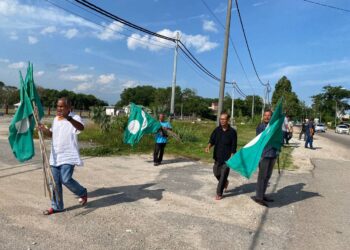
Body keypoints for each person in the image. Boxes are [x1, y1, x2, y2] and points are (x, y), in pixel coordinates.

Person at [39, 97, 87, 215]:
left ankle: (82, 192)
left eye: (62, 106)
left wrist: (68, 118)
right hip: (55, 155)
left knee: (65, 179)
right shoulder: (56, 119)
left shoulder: (75, 117)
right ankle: (57, 206)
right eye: (58, 106)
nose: (59, 108)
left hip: (68, 155)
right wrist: (44, 130)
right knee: (54, 182)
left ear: (69, 107)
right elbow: (52, 134)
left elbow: (81, 127)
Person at [205, 112, 237, 200]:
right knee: (216, 172)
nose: (222, 121)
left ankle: (219, 193)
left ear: (228, 120)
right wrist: (208, 147)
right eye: (221, 119)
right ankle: (225, 182)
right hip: (217, 157)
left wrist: (232, 156)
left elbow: (234, 146)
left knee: (223, 175)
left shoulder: (232, 132)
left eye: (224, 119)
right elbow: (212, 140)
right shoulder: (217, 130)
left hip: (227, 159)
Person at [252, 110, 279, 207]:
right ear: (263, 116)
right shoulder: (261, 126)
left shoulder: (274, 127)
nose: (267, 117)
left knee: (267, 176)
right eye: (265, 115)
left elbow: (278, 139)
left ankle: (262, 195)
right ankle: (258, 197)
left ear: (272, 117)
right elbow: (260, 140)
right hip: (264, 155)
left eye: (269, 115)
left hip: (273, 154)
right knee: (262, 177)